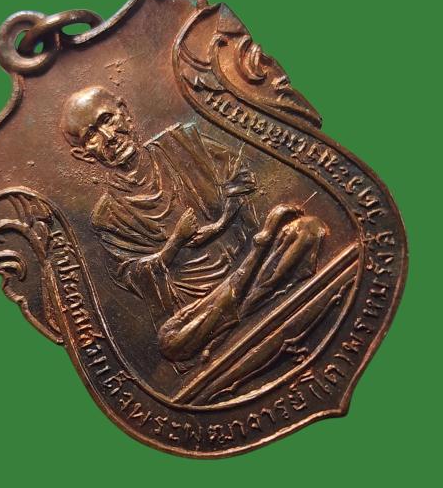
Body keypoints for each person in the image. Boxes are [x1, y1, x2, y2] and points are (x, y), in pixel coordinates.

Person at [60, 86, 326, 368]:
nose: (109, 137)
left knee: (307, 230)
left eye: (107, 119)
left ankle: (227, 323)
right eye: (91, 136)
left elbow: (240, 178)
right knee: (170, 342)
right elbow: (132, 275)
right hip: (202, 302)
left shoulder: (183, 142)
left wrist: (220, 223)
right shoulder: (107, 217)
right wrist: (175, 242)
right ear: (84, 154)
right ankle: (247, 299)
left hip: (250, 257)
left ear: (124, 113)